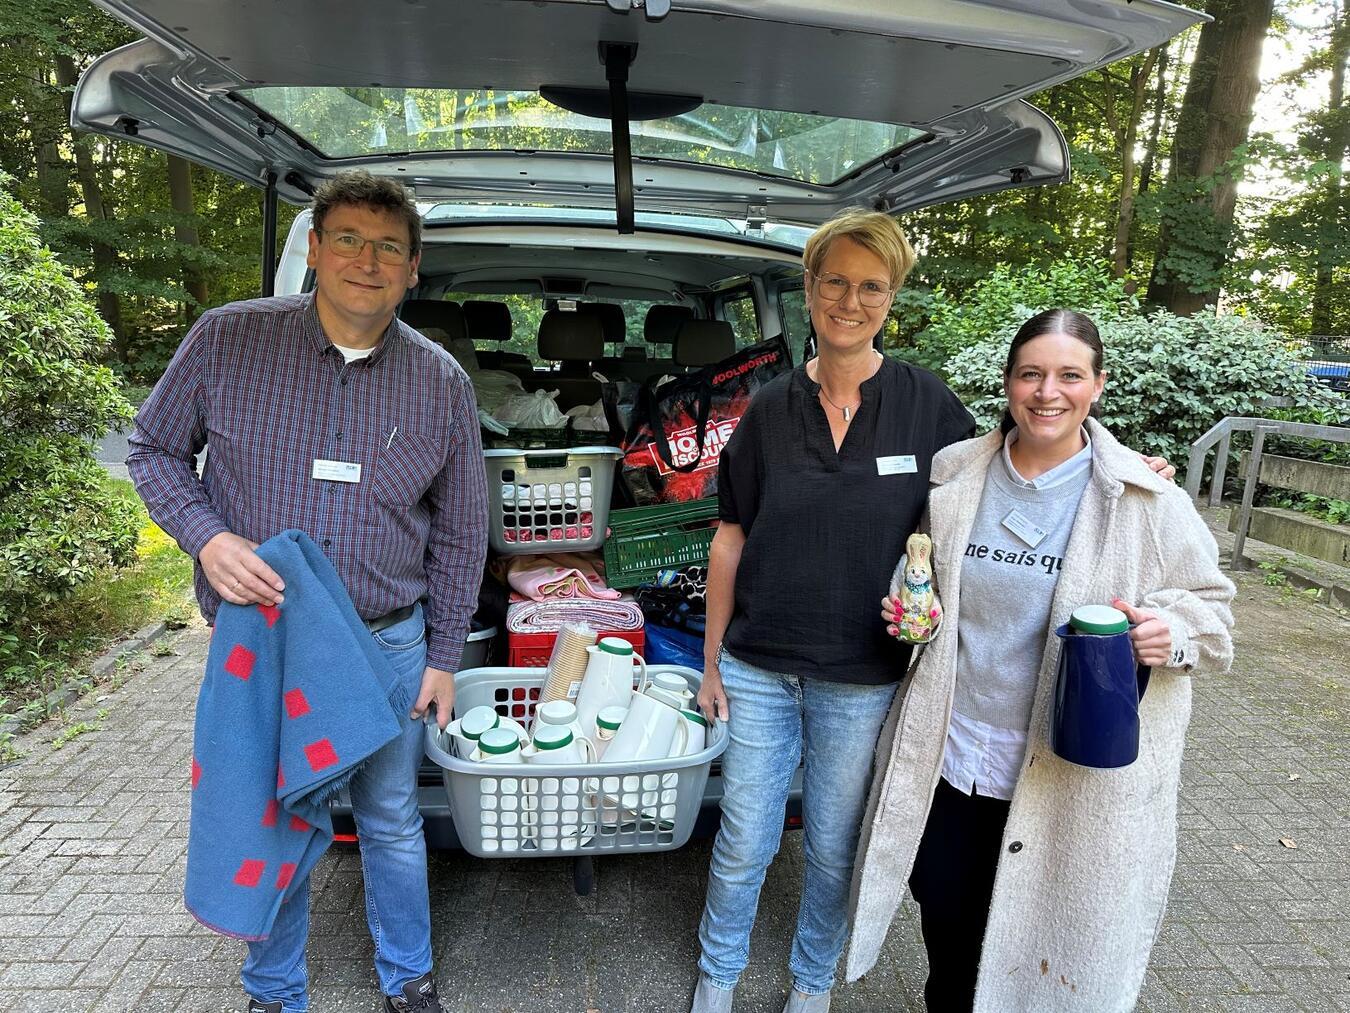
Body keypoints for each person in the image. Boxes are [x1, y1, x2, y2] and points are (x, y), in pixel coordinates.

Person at [128, 170, 488, 1013]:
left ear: (412, 268)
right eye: (351, 241)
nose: (369, 261)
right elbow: (150, 449)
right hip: (272, 639)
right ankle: (272, 987)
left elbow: (466, 531)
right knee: (271, 814)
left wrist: (443, 658)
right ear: (316, 251)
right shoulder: (227, 340)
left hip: (390, 644)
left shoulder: (441, 383)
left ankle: (410, 978)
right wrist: (208, 538)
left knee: (393, 818)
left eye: (389, 248)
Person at [845, 309, 1235, 1011]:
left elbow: (1213, 608)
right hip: (951, 755)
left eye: (1068, 375)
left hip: (1063, 771)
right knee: (950, 935)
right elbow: (922, 575)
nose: (1047, 391)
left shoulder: (1146, 498)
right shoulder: (955, 473)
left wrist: (1168, 631)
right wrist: (912, 608)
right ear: (1008, 383)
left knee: (1034, 948)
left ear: (1098, 386)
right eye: (1031, 373)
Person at [689, 210, 980, 1013]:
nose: (851, 300)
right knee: (744, 840)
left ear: (892, 296)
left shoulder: (928, 406)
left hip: (862, 677)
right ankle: (719, 972)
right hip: (757, 670)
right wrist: (711, 663)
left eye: (872, 286)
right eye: (836, 282)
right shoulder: (768, 409)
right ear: (810, 288)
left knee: (829, 848)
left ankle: (811, 981)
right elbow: (728, 538)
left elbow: (1009, 472)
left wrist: (1110, 458)